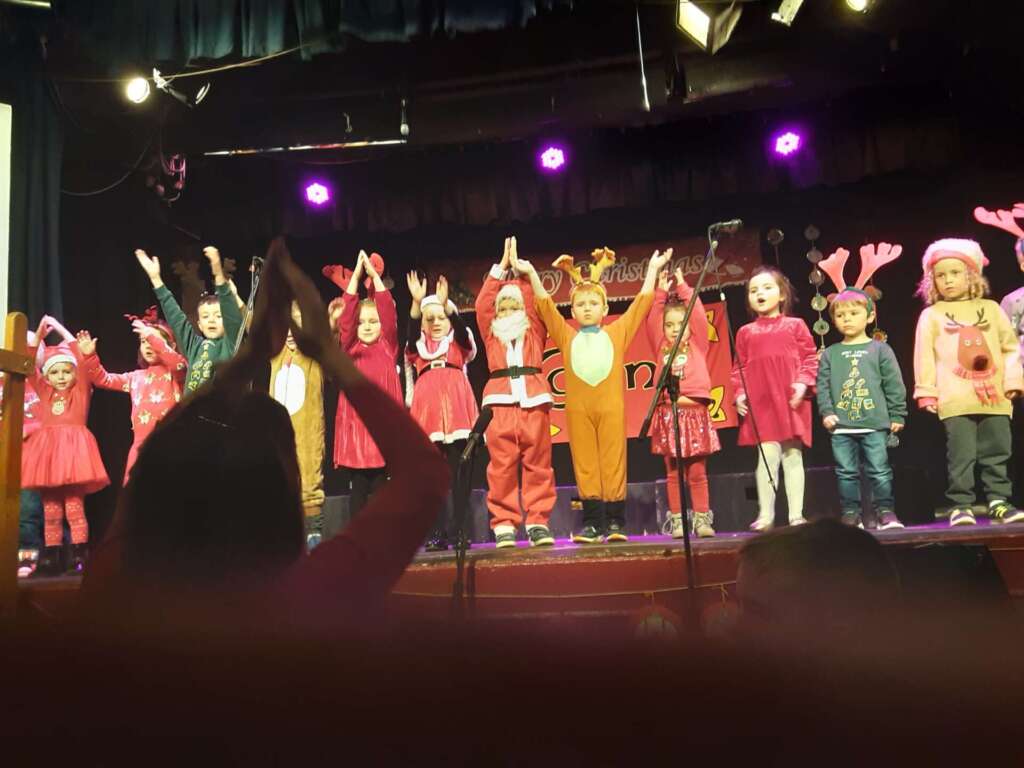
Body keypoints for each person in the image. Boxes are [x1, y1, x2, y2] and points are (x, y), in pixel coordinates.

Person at [82, 237, 449, 632]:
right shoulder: (317, 590)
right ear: (286, 485)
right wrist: (329, 355)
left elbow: (144, 481)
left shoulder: (129, 595)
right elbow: (425, 475)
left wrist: (246, 359)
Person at [516, 246, 672, 543]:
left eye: (593, 303)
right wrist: (533, 273)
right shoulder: (567, 336)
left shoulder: (617, 333)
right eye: (581, 304)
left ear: (605, 308)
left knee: (613, 460)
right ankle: (592, 523)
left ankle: (615, 522)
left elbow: (641, 304)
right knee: (585, 463)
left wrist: (652, 269)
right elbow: (545, 307)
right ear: (573, 311)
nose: (587, 308)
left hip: (610, 409)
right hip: (579, 412)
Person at [913, 238, 1024, 526]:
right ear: (932, 281)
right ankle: (961, 505)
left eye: (955, 273)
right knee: (961, 455)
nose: (948, 280)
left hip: (995, 395)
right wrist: (926, 391)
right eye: (941, 275)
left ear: (971, 275)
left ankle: (999, 500)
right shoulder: (931, 315)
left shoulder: (991, 308)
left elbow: (1009, 347)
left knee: (997, 450)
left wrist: (1013, 379)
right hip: (955, 397)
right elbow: (924, 356)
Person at [815, 243, 907, 530]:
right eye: (840, 315)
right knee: (846, 472)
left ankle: (886, 512)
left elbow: (894, 383)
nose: (847, 319)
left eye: (853, 314)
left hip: (874, 422)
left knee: (879, 470)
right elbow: (822, 385)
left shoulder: (879, 349)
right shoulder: (830, 353)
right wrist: (827, 411)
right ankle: (851, 515)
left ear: (869, 316)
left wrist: (897, 414)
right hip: (842, 426)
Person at [475, 236, 556, 548]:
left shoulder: (534, 329)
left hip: (534, 399)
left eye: (514, 306)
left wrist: (523, 271)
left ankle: (538, 522)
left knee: (539, 464)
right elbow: (483, 304)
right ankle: (504, 523)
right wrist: (501, 266)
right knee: (501, 466)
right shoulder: (491, 334)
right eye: (503, 307)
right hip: (500, 403)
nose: (508, 311)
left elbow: (535, 301)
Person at [731, 266, 818, 532]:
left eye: (767, 288)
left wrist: (803, 382)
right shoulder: (745, 332)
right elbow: (739, 368)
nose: (759, 293)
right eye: (753, 290)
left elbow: (810, 358)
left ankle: (796, 515)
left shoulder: (796, 325)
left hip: (790, 399)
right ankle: (766, 514)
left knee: (792, 455)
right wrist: (739, 392)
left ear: (781, 295)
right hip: (762, 402)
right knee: (767, 457)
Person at [21, 316, 110, 575]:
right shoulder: (45, 391)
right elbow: (30, 367)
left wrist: (59, 328)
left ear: (73, 373)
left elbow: (80, 360)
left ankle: (79, 556)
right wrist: (39, 336)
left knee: (74, 507)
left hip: (73, 455)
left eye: (66, 371)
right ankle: (51, 558)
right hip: (48, 456)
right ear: (47, 376)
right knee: (50, 510)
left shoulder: (79, 391)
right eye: (55, 372)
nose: (61, 377)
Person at [404, 271, 479, 551]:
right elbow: (411, 334)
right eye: (430, 318)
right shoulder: (417, 348)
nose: (436, 322)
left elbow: (462, 331)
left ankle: (459, 530)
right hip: (428, 411)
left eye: (441, 317)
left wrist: (448, 306)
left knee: (460, 472)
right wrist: (416, 304)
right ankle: (436, 532)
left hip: (457, 407)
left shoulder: (458, 342)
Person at [644, 266, 720, 539]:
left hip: (695, 413)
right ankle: (677, 521)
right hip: (669, 414)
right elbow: (653, 318)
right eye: (670, 325)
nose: (675, 329)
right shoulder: (660, 346)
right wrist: (660, 292)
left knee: (697, 473)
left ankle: (702, 520)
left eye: (680, 324)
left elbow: (697, 313)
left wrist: (683, 287)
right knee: (674, 474)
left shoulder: (698, 343)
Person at [77, 307, 187, 484]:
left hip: (169, 447)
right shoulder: (136, 377)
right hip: (140, 449)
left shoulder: (176, 374)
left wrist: (151, 336)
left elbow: (179, 365)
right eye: (143, 341)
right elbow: (103, 380)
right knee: (136, 495)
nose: (148, 345)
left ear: (171, 346)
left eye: (153, 341)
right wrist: (89, 356)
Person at [335, 251, 403, 522]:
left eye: (372, 322)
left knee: (383, 489)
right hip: (357, 431)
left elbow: (388, 311)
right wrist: (355, 276)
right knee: (359, 491)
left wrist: (373, 276)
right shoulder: (349, 348)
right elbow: (346, 317)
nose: (366, 326)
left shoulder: (388, 346)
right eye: (362, 322)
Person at [135, 246, 243, 394]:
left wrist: (218, 272)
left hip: (217, 407)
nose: (211, 320)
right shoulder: (194, 347)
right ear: (200, 324)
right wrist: (156, 279)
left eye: (218, 316)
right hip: (192, 407)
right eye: (205, 316)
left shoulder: (230, 345)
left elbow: (230, 313)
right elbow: (177, 319)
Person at [269, 300, 325, 550]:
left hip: (307, 436)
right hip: (279, 437)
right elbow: (251, 323)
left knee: (310, 483)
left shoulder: (314, 355)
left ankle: (314, 537)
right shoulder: (277, 356)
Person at [1, 332, 44, 578]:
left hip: (32, 459)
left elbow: (50, 418)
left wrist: (28, 429)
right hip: (6, 456)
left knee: (28, 510)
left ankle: (27, 557)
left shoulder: (38, 382)